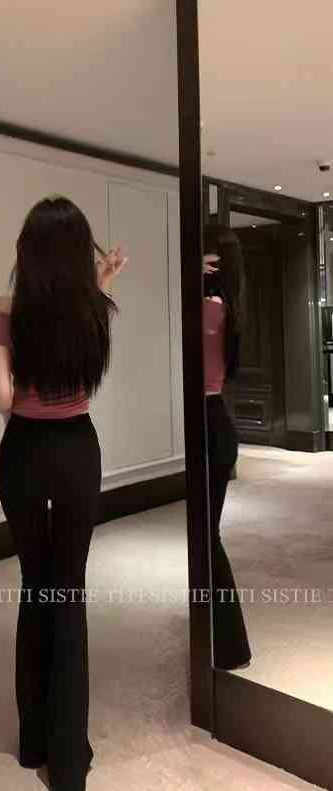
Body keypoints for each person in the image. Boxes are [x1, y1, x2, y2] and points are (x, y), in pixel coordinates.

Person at [0, 195, 127, 791]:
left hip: (23, 453)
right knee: (68, 592)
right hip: (76, 453)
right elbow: (75, 312)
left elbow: (2, 395)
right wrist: (99, 284)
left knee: (34, 585)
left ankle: (33, 742)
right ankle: (68, 761)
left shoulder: (3, 310)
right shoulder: (93, 311)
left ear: (26, 253)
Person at [203, 224, 252, 671]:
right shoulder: (226, 307)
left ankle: (231, 645)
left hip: (210, 425)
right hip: (214, 423)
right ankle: (220, 641)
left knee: (205, 537)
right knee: (205, 535)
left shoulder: (209, 309)